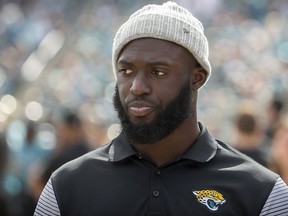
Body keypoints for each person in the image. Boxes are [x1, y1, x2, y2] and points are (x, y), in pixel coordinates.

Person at [34, 2, 288, 215]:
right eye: (126, 71)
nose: (137, 87)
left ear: (197, 78)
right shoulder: (66, 186)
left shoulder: (262, 192)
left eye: (158, 72)